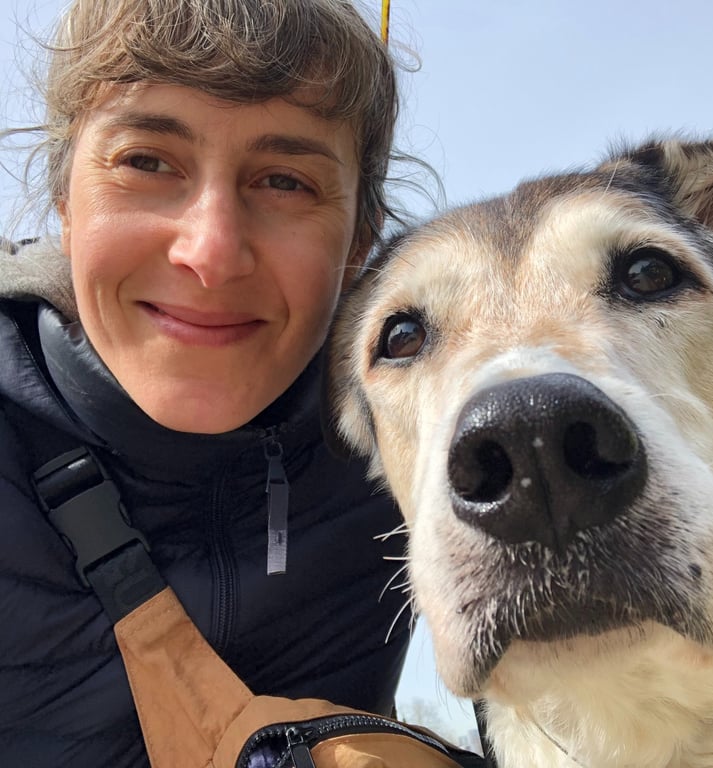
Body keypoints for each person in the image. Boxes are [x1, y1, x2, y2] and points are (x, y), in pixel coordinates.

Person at [0, 1, 419, 765]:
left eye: (285, 181)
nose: (213, 252)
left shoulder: (417, 437)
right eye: (147, 162)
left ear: (360, 240)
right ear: (65, 200)